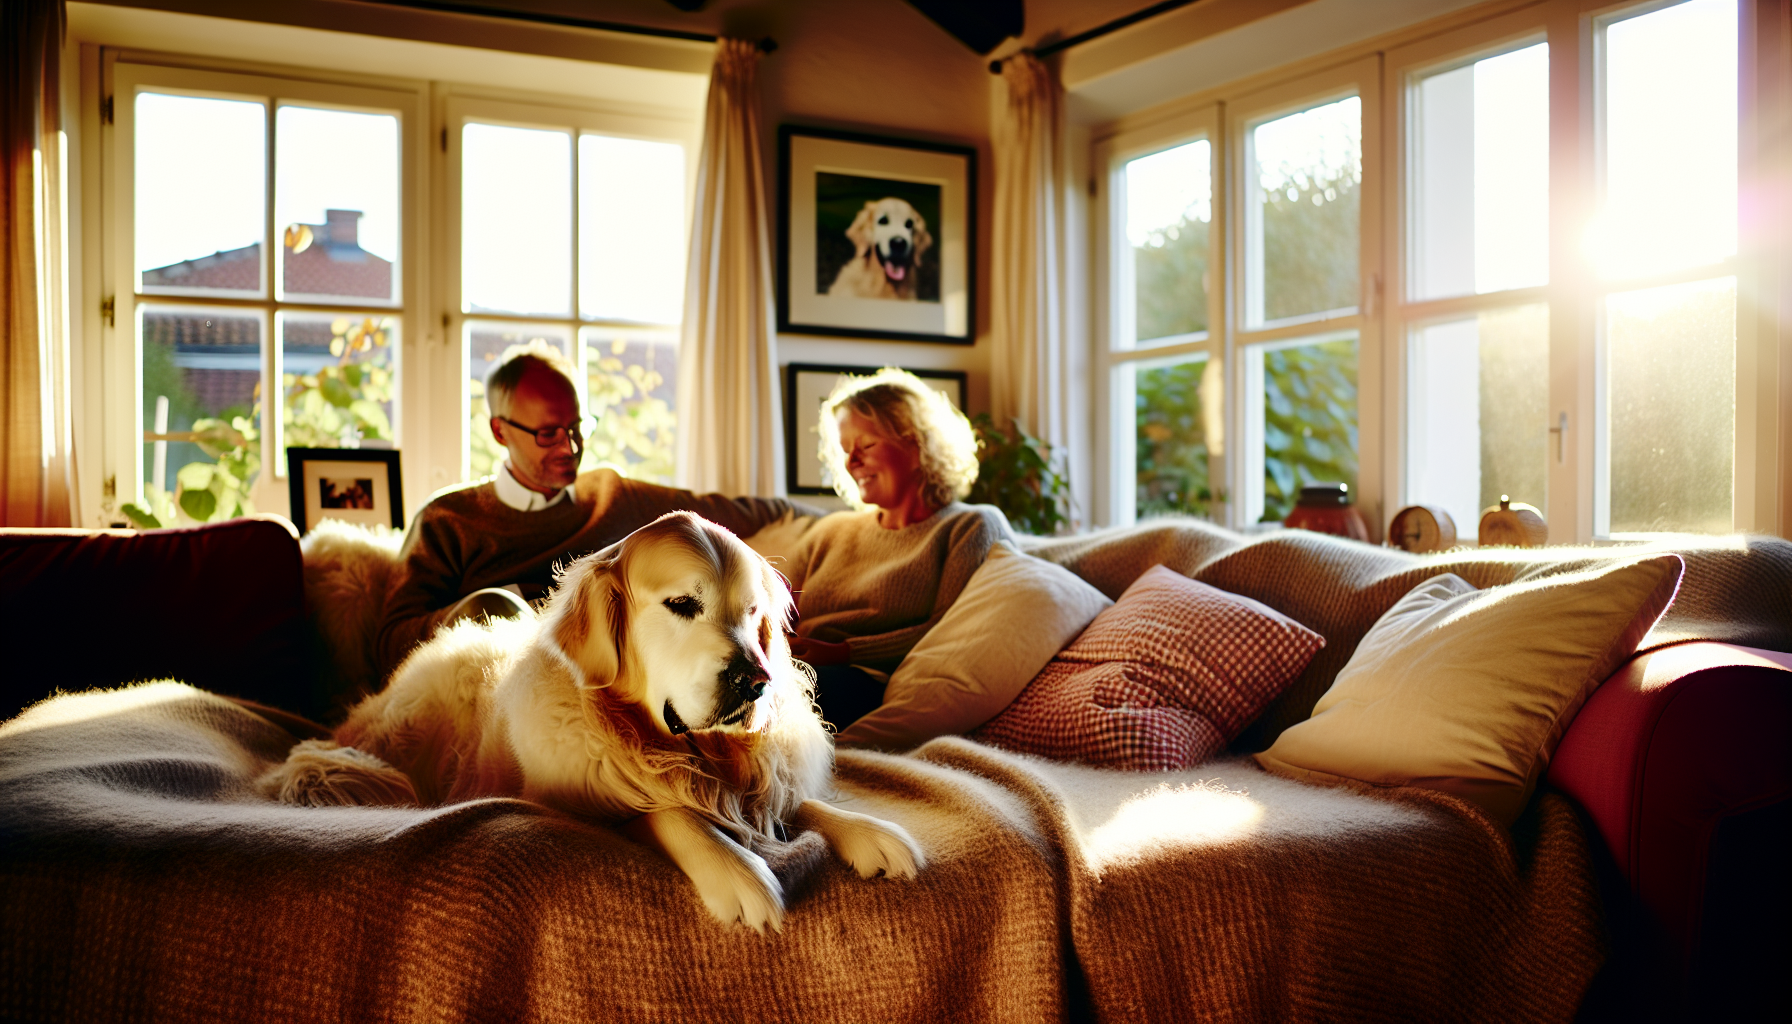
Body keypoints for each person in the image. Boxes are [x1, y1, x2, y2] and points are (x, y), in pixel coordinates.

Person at [377, 341, 816, 679]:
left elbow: (733, 511)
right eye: (549, 434)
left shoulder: (613, 496)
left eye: (576, 428)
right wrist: (493, 609)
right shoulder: (447, 520)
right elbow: (389, 645)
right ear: (499, 431)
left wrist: (845, 518)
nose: (570, 448)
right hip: (493, 686)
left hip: (618, 687)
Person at [785, 368, 1015, 730]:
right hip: (791, 666)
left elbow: (950, 630)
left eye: (866, 446)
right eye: (845, 450)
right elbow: (777, 601)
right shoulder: (832, 530)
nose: (851, 462)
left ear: (917, 444)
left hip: (868, 680)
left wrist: (844, 652)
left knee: (775, 695)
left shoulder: (970, 526)